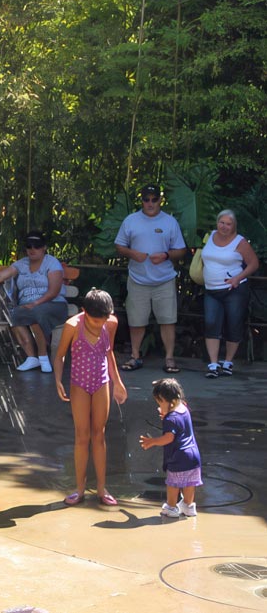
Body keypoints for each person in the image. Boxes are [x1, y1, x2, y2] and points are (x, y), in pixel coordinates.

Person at [52, 289, 128, 507]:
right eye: (94, 320)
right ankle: (79, 488)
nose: (98, 324)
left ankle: (102, 489)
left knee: (99, 434)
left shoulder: (110, 323)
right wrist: (58, 379)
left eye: (102, 320)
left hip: (102, 381)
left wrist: (117, 382)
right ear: (84, 312)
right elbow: (60, 355)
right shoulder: (73, 326)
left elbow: (108, 351)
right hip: (79, 384)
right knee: (82, 435)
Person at [0, 230, 69, 373]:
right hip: (28, 307)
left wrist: (36, 303)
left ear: (44, 247)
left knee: (35, 314)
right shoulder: (21, 264)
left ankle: (43, 357)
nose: (32, 249)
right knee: (13, 314)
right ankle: (32, 358)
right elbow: (0, 276)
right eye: (29, 246)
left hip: (53, 304)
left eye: (37, 246)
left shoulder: (52, 263)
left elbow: (54, 291)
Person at [114, 184, 188, 372]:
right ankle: (135, 356)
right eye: (146, 199)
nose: (150, 203)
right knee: (136, 321)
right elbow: (119, 246)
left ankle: (169, 358)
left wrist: (165, 255)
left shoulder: (170, 222)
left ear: (160, 200)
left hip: (164, 280)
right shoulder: (130, 220)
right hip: (138, 279)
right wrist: (133, 254)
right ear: (142, 200)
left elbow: (181, 250)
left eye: (154, 199)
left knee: (167, 320)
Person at [200, 209, 259, 378]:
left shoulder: (240, 242)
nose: (224, 226)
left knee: (234, 324)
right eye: (221, 222)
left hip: (234, 290)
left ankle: (227, 362)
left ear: (234, 226)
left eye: (228, 224)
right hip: (211, 289)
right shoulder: (209, 236)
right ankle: (213, 364)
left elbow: (253, 263)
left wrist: (237, 278)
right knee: (211, 323)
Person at [139, 378, 202, 517]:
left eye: (160, 402)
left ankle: (172, 507)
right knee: (189, 482)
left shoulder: (170, 419)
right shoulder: (184, 408)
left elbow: (169, 438)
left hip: (178, 456)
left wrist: (152, 441)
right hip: (193, 455)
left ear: (169, 401)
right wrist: (166, 413)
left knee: (173, 483)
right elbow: (179, 426)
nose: (159, 406)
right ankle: (188, 506)